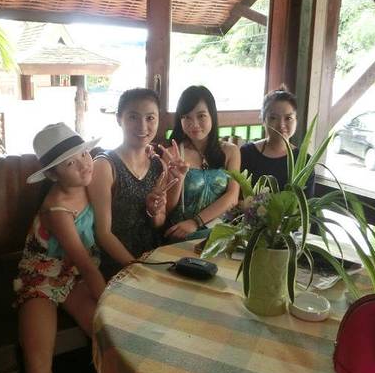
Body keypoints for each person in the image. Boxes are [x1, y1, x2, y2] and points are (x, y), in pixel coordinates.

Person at [14, 122, 106, 373]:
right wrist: (110, 300)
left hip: (75, 276)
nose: (83, 164)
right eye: (70, 163)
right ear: (53, 174)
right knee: (37, 358)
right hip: (42, 275)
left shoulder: (92, 183)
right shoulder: (56, 208)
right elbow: (85, 263)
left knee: (106, 334)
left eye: (84, 154)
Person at [88, 88, 176, 280]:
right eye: (133, 117)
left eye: (150, 118)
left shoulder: (159, 165)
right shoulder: (104, 166)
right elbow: (103, 233)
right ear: (119, 119)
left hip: (154, 258)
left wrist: (154, 211)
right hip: (117, 264)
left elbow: (159, 222)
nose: (142, 126)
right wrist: (138, 269)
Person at [165, 85, 240, 241]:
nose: (194, 124)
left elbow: (233, 196)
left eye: (201, 116)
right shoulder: (173, 154)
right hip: (183, 234)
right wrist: (178, 179)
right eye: (187, 117)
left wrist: (196, 222)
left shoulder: (231, 151)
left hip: (220, 234)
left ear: (212, 115)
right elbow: (168, 208)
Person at [240, 86, 315, 197]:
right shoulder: (247, 153)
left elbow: (306, 203)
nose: (281, 125)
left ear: (296, 120)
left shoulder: (304, 161)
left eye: (288, 118)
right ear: (263, 120)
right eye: (273, 118)